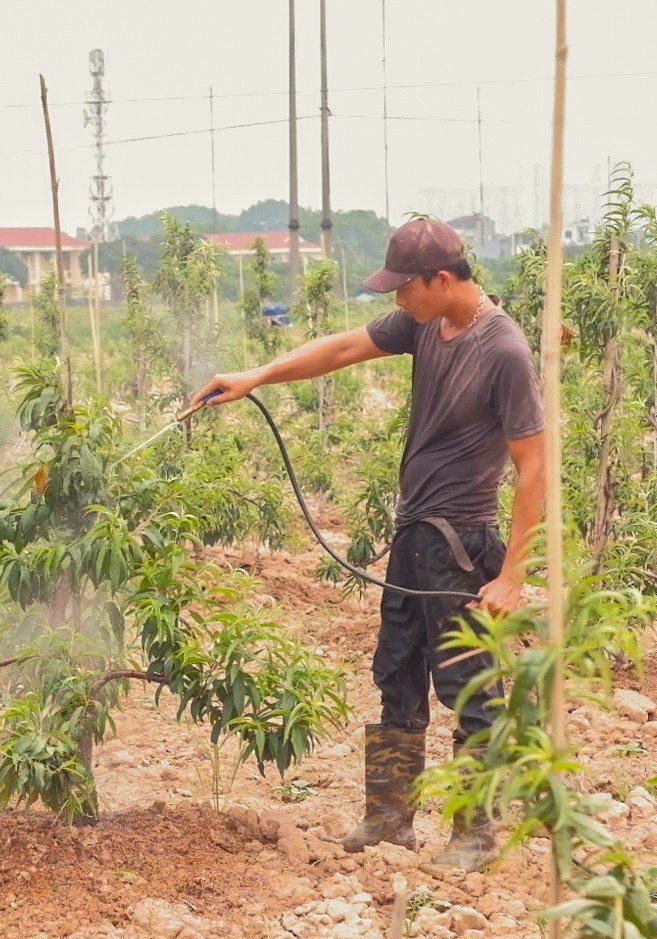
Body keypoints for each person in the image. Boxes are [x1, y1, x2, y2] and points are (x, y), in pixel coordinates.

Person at [194, 217, 547, 872]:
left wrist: (513, 578)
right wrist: (259, 375)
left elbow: (535, 468)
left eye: (403, 288)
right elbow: (340, 350)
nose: (396, 301)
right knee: (396, 674)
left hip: (463, 545)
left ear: (442, 280)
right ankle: (389, 818)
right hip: (414, 536)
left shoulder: (504, 351)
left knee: (469, 688)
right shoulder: (422, 324)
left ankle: (474, 833)